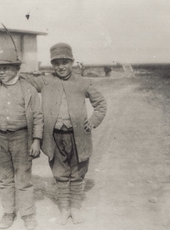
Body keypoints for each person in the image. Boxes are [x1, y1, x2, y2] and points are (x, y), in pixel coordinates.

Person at [18, 43, 107, 225]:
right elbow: (23, 80)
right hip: (54, 137)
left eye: (65, 62)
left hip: (78, 137)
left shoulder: (82, 82)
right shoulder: (46, 81)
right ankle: (64, 209)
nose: (61, 67)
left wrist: (93, 121)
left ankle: (75, 208)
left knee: (77, 173)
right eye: (56, 63)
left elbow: (101, 104)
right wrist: (19, 66)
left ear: (72, 62)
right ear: (52, 65)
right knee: (60, 173)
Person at [0, 48, 43, 230]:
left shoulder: (28, 88)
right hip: (0, 138)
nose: (1, 72)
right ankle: (8, 213)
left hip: (21, 138)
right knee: (4, 178)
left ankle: (28, 214)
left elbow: (38, 116)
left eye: (6, 68)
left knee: (23, 178)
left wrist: (36, 140)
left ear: (17, 68)